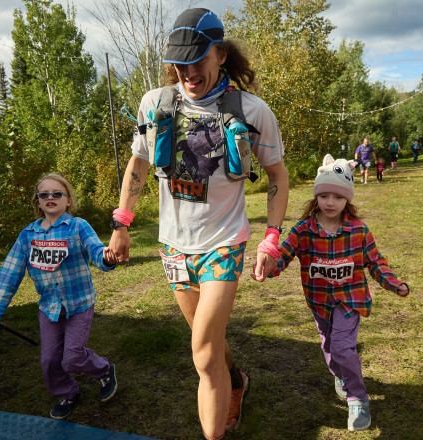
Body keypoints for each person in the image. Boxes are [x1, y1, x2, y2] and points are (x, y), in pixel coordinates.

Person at [108, 8, 289, 439]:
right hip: (173, 247)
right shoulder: (155, 103)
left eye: (197, 60)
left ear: (220, 54)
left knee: (203, 356)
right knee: (209, 339)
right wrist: (122, 222)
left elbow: (278, 175)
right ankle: (237, 382)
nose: (187, 72)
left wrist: (271, 239)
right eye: (178, 63)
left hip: (223, 245)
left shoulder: (252, 110)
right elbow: (137, 164)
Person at [252, 154, 409, 432]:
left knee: (340, 345)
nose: (330, 202)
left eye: (337, 196)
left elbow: (375, 262)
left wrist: (392, 283)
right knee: (328, 345)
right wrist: (268, 265)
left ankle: (358, 399)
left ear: (347, 198)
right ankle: (340, 375)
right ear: (316, 197)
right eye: (323, 195)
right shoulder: (303, 230)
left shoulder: (359, 231)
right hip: (320, 301)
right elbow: (284, 255)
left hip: (350, 299)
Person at [0, 173, 117, 420]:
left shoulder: (78, 226)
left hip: (79, 304)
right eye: (44, 194)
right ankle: (68, 392)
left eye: (57, 193)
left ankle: (104, 369)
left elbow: (97, 251)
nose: (50, 197)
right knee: (50, 360)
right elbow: (7, 276)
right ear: (38, 202)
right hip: (49, 308)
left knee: (73, 357)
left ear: (68, 201)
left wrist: (106, 257)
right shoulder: (27, 236)